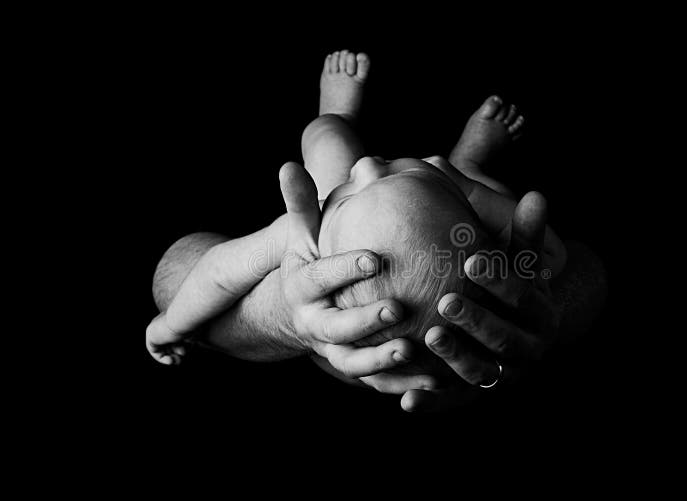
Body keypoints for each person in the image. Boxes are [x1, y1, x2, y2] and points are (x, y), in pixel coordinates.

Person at [148, 50, 607, 411]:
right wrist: (462, 184)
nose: (368, 164)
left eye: (358, 188)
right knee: (469, 185)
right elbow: (553, 255)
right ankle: (469, 163)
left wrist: (169, 325)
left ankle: (336, 115)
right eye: (397, 173)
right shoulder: (471, 237)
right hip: (441, 252)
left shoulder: (301, 236)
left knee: (327, 139)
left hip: (333, 259)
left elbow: (216, 274)